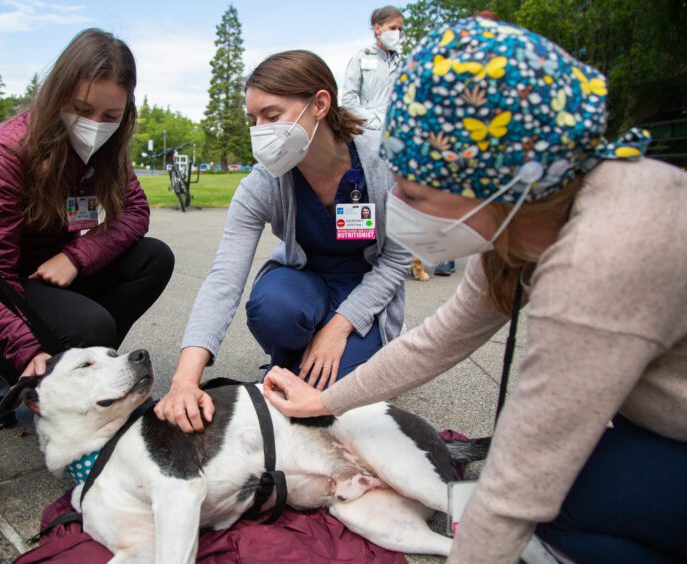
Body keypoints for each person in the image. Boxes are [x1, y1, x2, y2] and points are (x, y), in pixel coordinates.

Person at [262, 16, 687, 564]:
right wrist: (326, 400)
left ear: (496, 180)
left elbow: (524, 476)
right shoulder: (522, 215)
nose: (402, 214)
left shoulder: (602, 257)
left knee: (544, 508)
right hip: (653, 423)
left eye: (415, 193)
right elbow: (440, 338)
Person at [154, 50, 411, 433]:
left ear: (320, 104)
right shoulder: (264, 182)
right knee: (274, 308)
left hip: (364, 289)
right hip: (303, 281)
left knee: (337, 396)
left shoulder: (384, 161)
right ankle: (294, 359)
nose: (259, 130)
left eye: (271, 117)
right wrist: (184, 379)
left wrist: (339, 327)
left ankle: (354, 345)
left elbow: (396, 260)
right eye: (253, 119)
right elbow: (225, 277)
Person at [0, 28, 175, 429]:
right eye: (81, 110)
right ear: (57, 94)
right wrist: (25, 349)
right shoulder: (4, 153)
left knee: (154, 258)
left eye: (110, 117)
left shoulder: (107, 151)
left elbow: (135, 211)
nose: (95, 126)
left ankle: (82, 377)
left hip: (47, 274)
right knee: (91, 326)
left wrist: (76, 256)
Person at [342, 5, 403, 132]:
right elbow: (348, 101)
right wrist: (374, 122)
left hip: (397, 129)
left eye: (400, 29)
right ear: (377, 28)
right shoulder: (361, 58)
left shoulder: (402, 63)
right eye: (392, 28)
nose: (397, 33)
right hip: (369, 130)